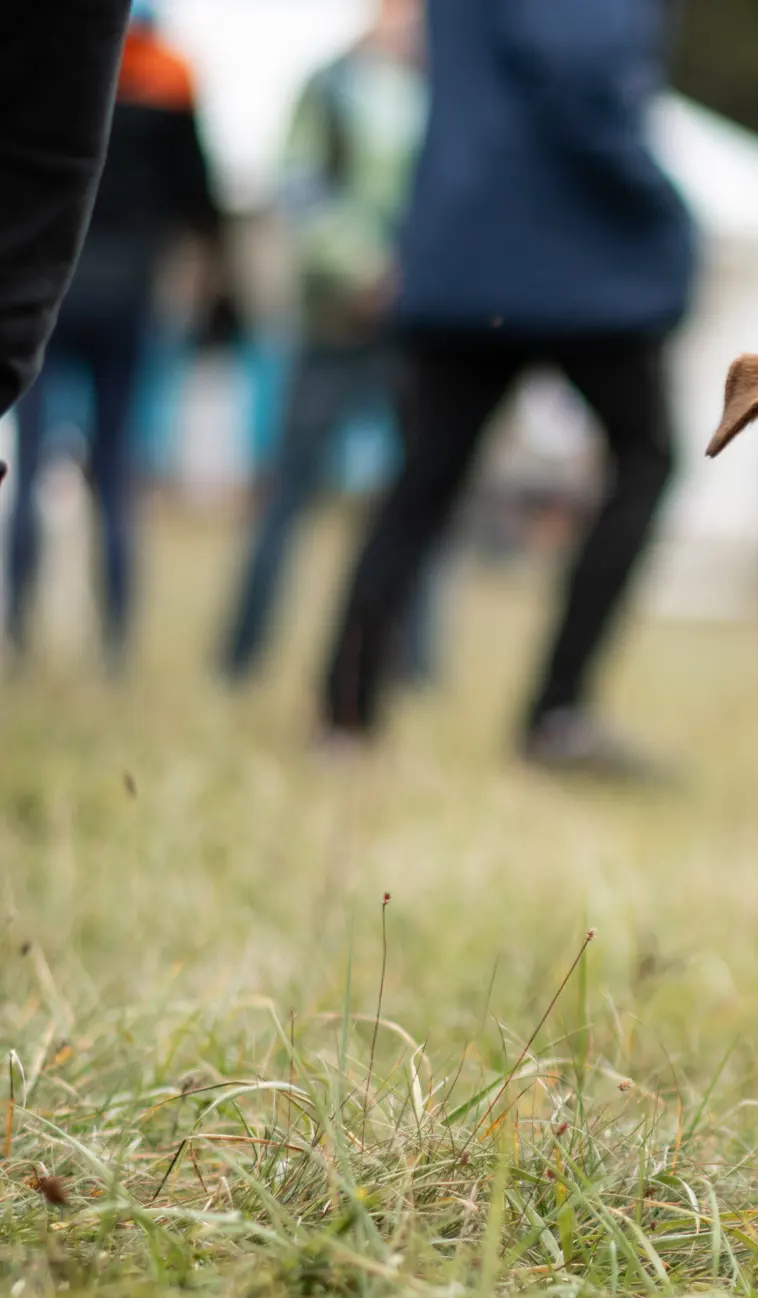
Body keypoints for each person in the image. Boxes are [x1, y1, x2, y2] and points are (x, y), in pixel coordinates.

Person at [317, 0, 696, 777]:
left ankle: (345, 713)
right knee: (645, 457)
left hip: (461, 250)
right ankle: (556, 713)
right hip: (578, 262)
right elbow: (585, 78)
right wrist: (668, 218)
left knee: (418, 485)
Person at [8, 0, 237, 673]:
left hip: (47, 292)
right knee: (115, 468)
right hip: (130, 300)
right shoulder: (170, 73)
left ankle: (17, 628)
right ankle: (115, 641)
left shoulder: (42, 57)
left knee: (28, 465)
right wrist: (223, 293)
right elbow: (200, 198)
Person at [220, 0, 430, 685]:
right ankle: (242, 654)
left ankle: (413, 668)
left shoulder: (442, 85)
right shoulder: (330, 84)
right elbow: (301, 188)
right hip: (335, 321)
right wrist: (364, 268)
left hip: (416, 326)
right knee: (287, 496)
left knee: (419, 498)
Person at [0, 0, 130, 416]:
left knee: (43, 420)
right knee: (112, 415)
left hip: (67, 280)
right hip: (110, 277)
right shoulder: (171, 75)